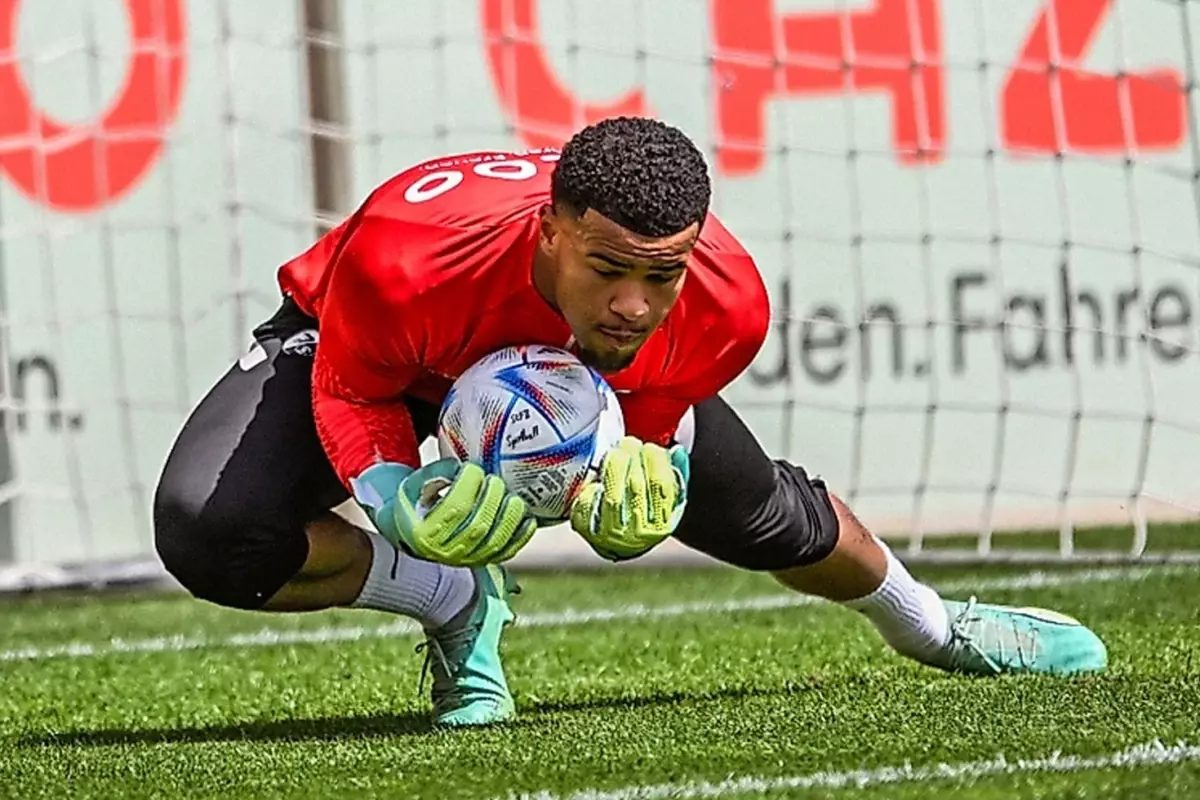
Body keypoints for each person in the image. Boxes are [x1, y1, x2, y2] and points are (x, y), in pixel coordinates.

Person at [153, 117, 1107, 728]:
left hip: (579, 388)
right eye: (608, 269)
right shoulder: (406, 257)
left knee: (767, 515)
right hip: (392, 360)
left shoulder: (726, 305)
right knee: (208, 529)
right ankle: (450, 597)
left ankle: (934, 627)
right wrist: (393, 494)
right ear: (548, 230)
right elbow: (355, 389)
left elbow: (644, 417)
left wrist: (640, 472)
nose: (634, 306)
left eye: (662, 275)